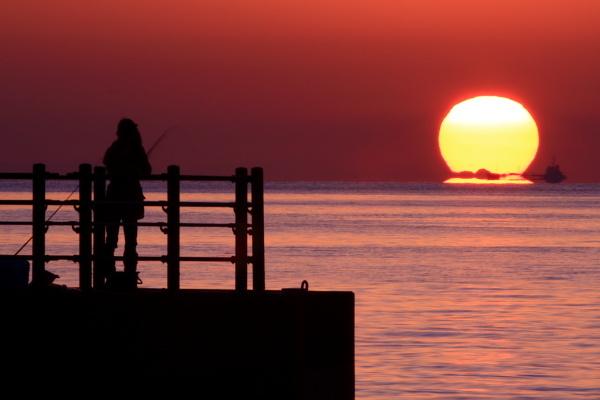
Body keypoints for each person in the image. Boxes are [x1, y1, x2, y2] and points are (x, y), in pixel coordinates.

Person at [103, 118, 151, 285]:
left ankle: (118, 274)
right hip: (125, 198)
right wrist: (133, 168)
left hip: (121, 198)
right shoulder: (123, 150)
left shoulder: (119, 150)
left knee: (123, 240)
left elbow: (146, 171)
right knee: (119, 239)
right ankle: (116, 274)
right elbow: (146, 171)